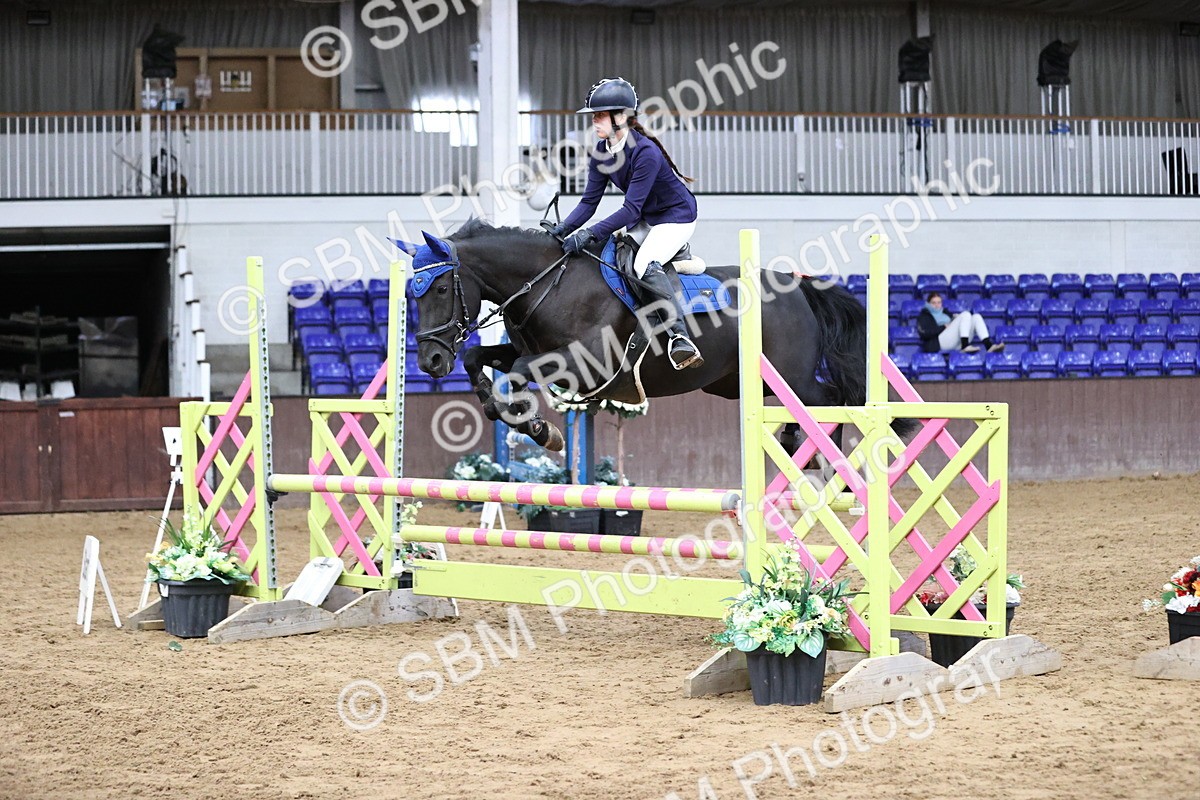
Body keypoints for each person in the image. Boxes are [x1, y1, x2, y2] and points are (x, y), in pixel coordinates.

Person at [547, 77, 702, 370]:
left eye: (600, 115)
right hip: (647, 218)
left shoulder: (645, 152)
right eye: (594, 115)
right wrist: (564, 229)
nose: (594, 121)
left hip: (676, 217)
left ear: (621, 117)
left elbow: (630, 211)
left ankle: (680, 338)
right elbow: (588, 203)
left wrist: (588, 234)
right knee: (616, 257)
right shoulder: (602, 153)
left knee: (643, 264)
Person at [915, 292, 1005, 354]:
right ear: (928, 304)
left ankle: (989, 346)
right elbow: (925, 333)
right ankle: (965, 346)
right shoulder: (924, 315)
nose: (937, 305)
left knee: (976, 317)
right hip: (939, 343)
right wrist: (943, 327)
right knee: (965, 314)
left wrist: (954, 319)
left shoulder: (945, 313)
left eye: (939, 302)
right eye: (933, 303)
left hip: (955, 341)